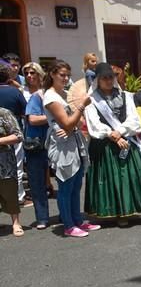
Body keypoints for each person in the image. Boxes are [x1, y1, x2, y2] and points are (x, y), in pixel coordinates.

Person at [83, 63, 141, 227]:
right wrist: (112, 135)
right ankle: (121, 212)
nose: (108, 80)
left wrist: (120, 132)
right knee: (114, 179)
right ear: (97, 80)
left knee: (140, 176)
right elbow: (94, 124)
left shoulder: (126, 96)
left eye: (110, 77)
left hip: (127, 140)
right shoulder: (92, 100)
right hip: (105, 145)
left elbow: (134, 119)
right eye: (104, 77)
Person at [43, 60, 100, 237]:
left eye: (68, 75)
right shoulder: (50, 96)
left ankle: (78, 220)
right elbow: (67, 123)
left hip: (74, 140)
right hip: (61, 144)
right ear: (52, 74)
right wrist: (81, 106)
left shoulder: (65, 94)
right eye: (62, 75)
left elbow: (77, 122)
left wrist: (76, 120)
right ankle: (68, 224)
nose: (66, 78)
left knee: (76, 184)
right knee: (66, 185)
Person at [23, 64, 52, 229]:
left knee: (63, 178)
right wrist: (52, 116)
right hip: (35, 142)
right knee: (36, 181)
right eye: (26, 73)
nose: (29, 76)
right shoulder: (30, 94)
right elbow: (32, 119)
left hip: (53, 140)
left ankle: (66, 213)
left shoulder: (48, 94)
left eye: (32, 72)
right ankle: (42, 217)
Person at [0, 61, 27, 206]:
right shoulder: (13, 92)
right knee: (16, 166)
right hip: (12, 133)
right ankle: (19, 196)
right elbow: (25, 111)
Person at [0, 107, 24, 236]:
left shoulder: (4, 113)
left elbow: (18, 135)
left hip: (4, 163)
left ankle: (16, 223)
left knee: (9, 193)